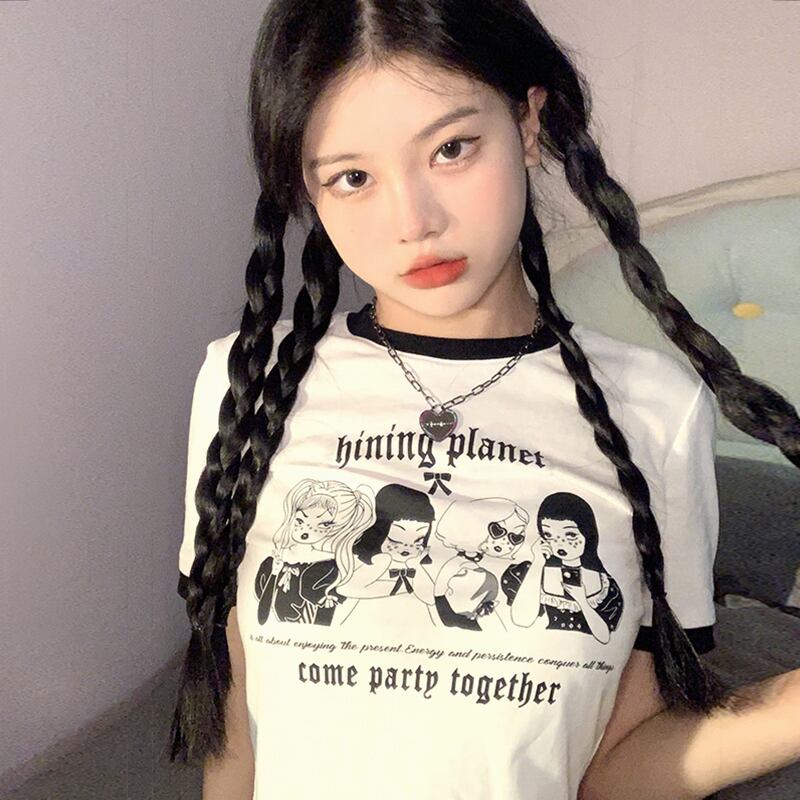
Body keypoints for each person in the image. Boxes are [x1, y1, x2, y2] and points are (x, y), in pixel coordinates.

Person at [168, 2, 800, 798]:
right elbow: (234, 738)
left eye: (452, 148)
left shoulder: (654, 411)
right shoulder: (249, 381)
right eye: (353, 177)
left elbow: (614, 771)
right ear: (308, 188)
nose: (414, 222)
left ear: (528, 125)